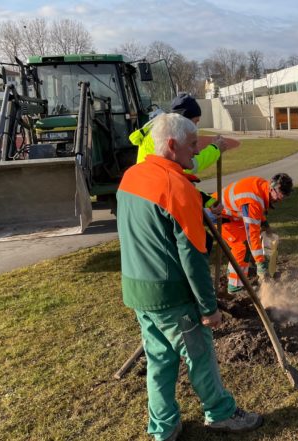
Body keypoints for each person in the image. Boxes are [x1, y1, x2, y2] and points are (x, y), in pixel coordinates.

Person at [117, 113, 262, 441]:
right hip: (171, 294)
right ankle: (221, 413)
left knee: (159, 360)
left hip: (138, 290)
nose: (196, 151)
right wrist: (209, 308)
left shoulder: (131, 177)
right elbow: (193, 257)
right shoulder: (175, 187)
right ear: (171, 145)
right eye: (192, 145)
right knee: (199, 356)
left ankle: (164, 427)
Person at [212, 173, 293, 294]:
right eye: (279, 196)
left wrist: (265, 225)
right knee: (242, 246)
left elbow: (258, 209)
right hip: (217, 215)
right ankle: (234, 287)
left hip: (230, 214)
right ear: (272, 188)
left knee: (244, 245)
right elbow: (252, 236)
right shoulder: (253, 202)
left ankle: (233, 271)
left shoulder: (262, 186)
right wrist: (260, 264)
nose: (280, 200)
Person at [129, 92, 238, 175]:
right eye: (195, 121)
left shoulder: (161, 129)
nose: (195, 127)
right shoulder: (168, 135)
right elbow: (189, 167)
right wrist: (216, 149)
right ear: (184, 120)